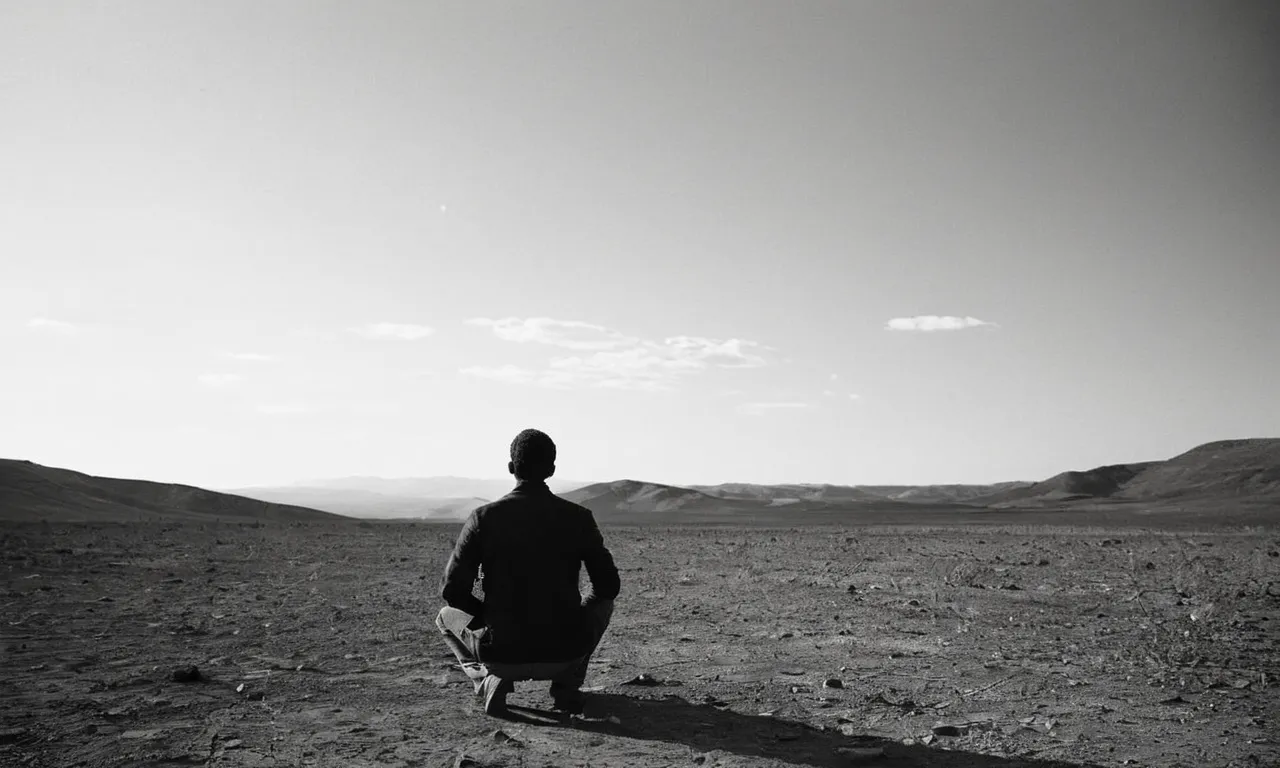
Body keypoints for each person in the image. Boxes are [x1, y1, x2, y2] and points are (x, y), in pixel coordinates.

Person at [436, 428, 620, 716]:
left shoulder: (484, 518)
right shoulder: (579, 519)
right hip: (564, 650)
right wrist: (576, 615)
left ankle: (488, 679)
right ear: (552, 469)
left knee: (445, 617)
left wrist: (487, 616)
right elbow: (608, 587)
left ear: (511, 468)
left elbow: (452, 591)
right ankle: (566, 685)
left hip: (502, 653)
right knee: (603, 605)